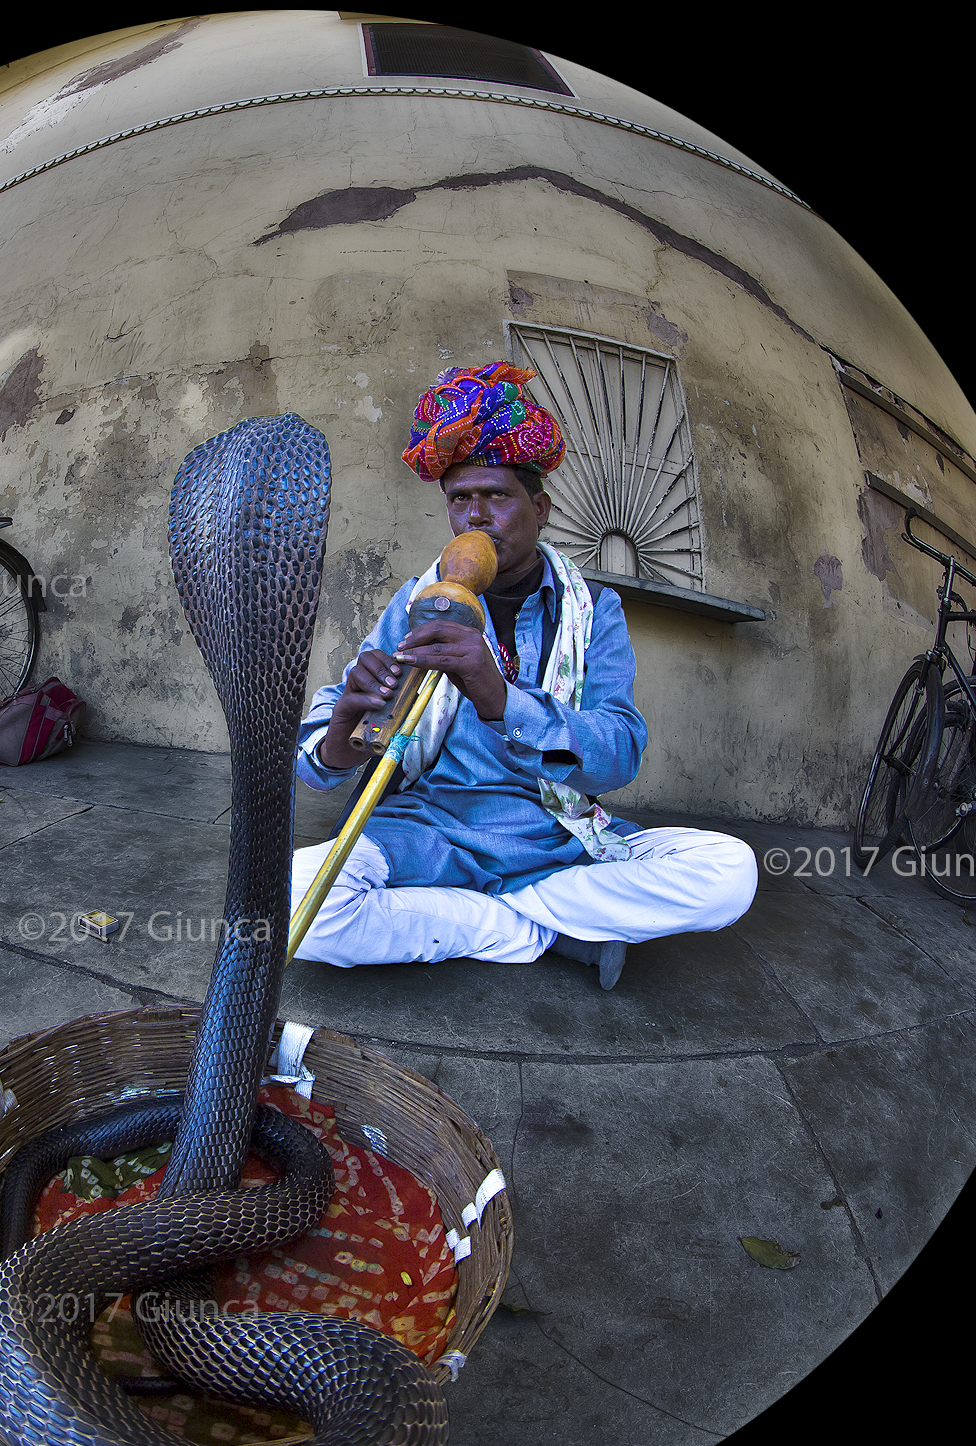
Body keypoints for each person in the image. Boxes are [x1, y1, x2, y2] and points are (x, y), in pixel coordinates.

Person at [289, 363, 758, 990]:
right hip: (433, 827)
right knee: (299, 901)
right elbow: (326, 761)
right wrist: (344, 725)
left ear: (538, 509)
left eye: (497, 497)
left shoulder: (596, 611)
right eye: (460, 500)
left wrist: (498, 698)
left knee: (730, 873)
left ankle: (493, 919)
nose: (477, 519)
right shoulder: (418, 600)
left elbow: (619, 754)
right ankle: (551, 928)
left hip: (555, 835)